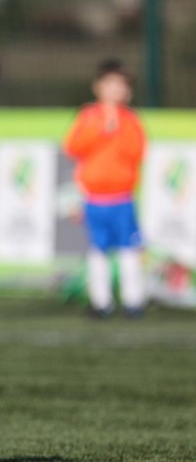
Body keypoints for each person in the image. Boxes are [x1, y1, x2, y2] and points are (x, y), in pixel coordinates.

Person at [63, 59, 147, 318]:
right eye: (110, 84)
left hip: (122, 199)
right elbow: (73, 147)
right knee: (98, 252)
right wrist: (100, 130)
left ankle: (133, 301)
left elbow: (137, 153)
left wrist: (118, 131)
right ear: (98, 87)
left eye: (120, 86)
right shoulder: (88, 117)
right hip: (94, 199)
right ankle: (102, 302)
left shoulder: (131, 121)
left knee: (128, 250)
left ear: (127, 91)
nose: (115, 90)